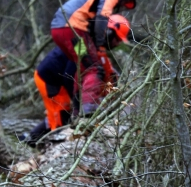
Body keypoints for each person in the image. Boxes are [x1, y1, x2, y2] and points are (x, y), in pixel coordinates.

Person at [23, 14, 131, 145]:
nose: (118, 44)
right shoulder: (81, 42)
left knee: (61, 115)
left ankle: (29, 138)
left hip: (61, 78)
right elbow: (71, 73)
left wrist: (113, 89)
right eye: (117, 39)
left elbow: (105, 70)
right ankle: (47, 148)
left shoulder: (95, 45)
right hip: (50, 78)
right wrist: (78, 104)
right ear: (108, 32)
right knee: (60, 119)